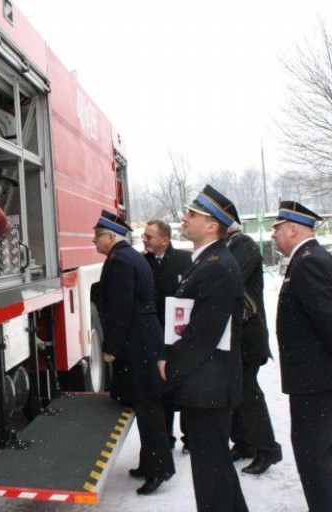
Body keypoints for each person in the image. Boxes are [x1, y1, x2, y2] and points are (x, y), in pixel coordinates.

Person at [271, 201, 332, 512]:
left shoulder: (308, 261)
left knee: (313, 457)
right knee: (325, 455)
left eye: (277, 229)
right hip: (323, 375)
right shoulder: (310, 258)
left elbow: (329, 318)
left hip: (317, 378)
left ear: (293, 229)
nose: (273, 235)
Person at [159, 185, 248, 512]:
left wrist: (171, 365)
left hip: (208, 383)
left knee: (211, 473)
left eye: (192, 214)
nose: (185, 218)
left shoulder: (216, 266)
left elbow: (203, 335)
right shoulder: (208, 261)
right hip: (205, 381)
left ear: (212, 225)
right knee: (216, 468)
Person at [93, 210, 175, 496]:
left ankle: (159, 470)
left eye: (97, 236)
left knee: (148, 408)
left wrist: (111, 348)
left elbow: (120, 309)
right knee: (147, 407)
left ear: (110, 236)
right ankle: (148, 464)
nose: (94, 242)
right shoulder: (131, 257)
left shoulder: (119, 262)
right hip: (144, 338)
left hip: (137, 343)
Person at [224, 223, 283, 474]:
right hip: (235, 337)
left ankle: (267, 449)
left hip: (248, 337)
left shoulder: (243, 245)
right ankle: (244, 443)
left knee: (248, 394)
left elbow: (229, 279)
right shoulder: (228, 247)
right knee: (235, 392)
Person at [143, 220, 192, 453]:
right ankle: (167, 436)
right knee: (163, 390)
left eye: (149, 236)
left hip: (179, 334)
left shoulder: (184, 260)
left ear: (165, 239)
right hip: (156, 333)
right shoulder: (144, 262)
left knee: (184, 388)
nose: (145, 240)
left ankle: (190, 437)